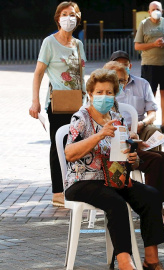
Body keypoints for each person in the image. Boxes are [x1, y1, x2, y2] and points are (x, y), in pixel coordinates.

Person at [64, 68, 164, 270]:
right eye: (99, 92)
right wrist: (99, 135)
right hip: (82, 181)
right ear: (90, 94)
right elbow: (70, 153)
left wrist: (132, 158)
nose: (104, 96)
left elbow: (122, 155)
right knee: (116, 202)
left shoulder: (116, 117)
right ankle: (124, 262)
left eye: (109, 92)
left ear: (115, 94)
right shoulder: (80, 118)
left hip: (113, 179)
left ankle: (151, 260)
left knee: (151, 195)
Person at [104, 56, 164, 227]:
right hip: (109, 156)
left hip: (125, 145)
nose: (122, 85)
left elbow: (122, 129)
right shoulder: (103, 100)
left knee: (161, 157)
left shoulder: (120, 97)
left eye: (123, 81)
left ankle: (156, 208)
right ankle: (155, 212)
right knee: (156, 159)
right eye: (118, 81)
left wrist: (135, 141)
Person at [28, 1, 86, 207]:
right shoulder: (49, 42)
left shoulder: (78, 44)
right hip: (58, 103)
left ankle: (74, 187)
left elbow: (80, 74)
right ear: (58, 18)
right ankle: (57, 192)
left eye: (72, 14)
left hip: (78, 102)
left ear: (77, 19)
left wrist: (86, 99)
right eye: (64, 14)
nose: (68, 17)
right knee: (58, 145)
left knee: (78, 145)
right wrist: (35, 102)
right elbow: (38, 73)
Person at [135, 1, 164, 134]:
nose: (156, 11)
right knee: (151, 95)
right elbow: (137, 46)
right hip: (149, 65)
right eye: (153, 9)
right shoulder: (144, 24)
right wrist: (153, 44)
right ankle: (151, 124)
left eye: (158, 9)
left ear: (162, 11)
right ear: (149, 12)